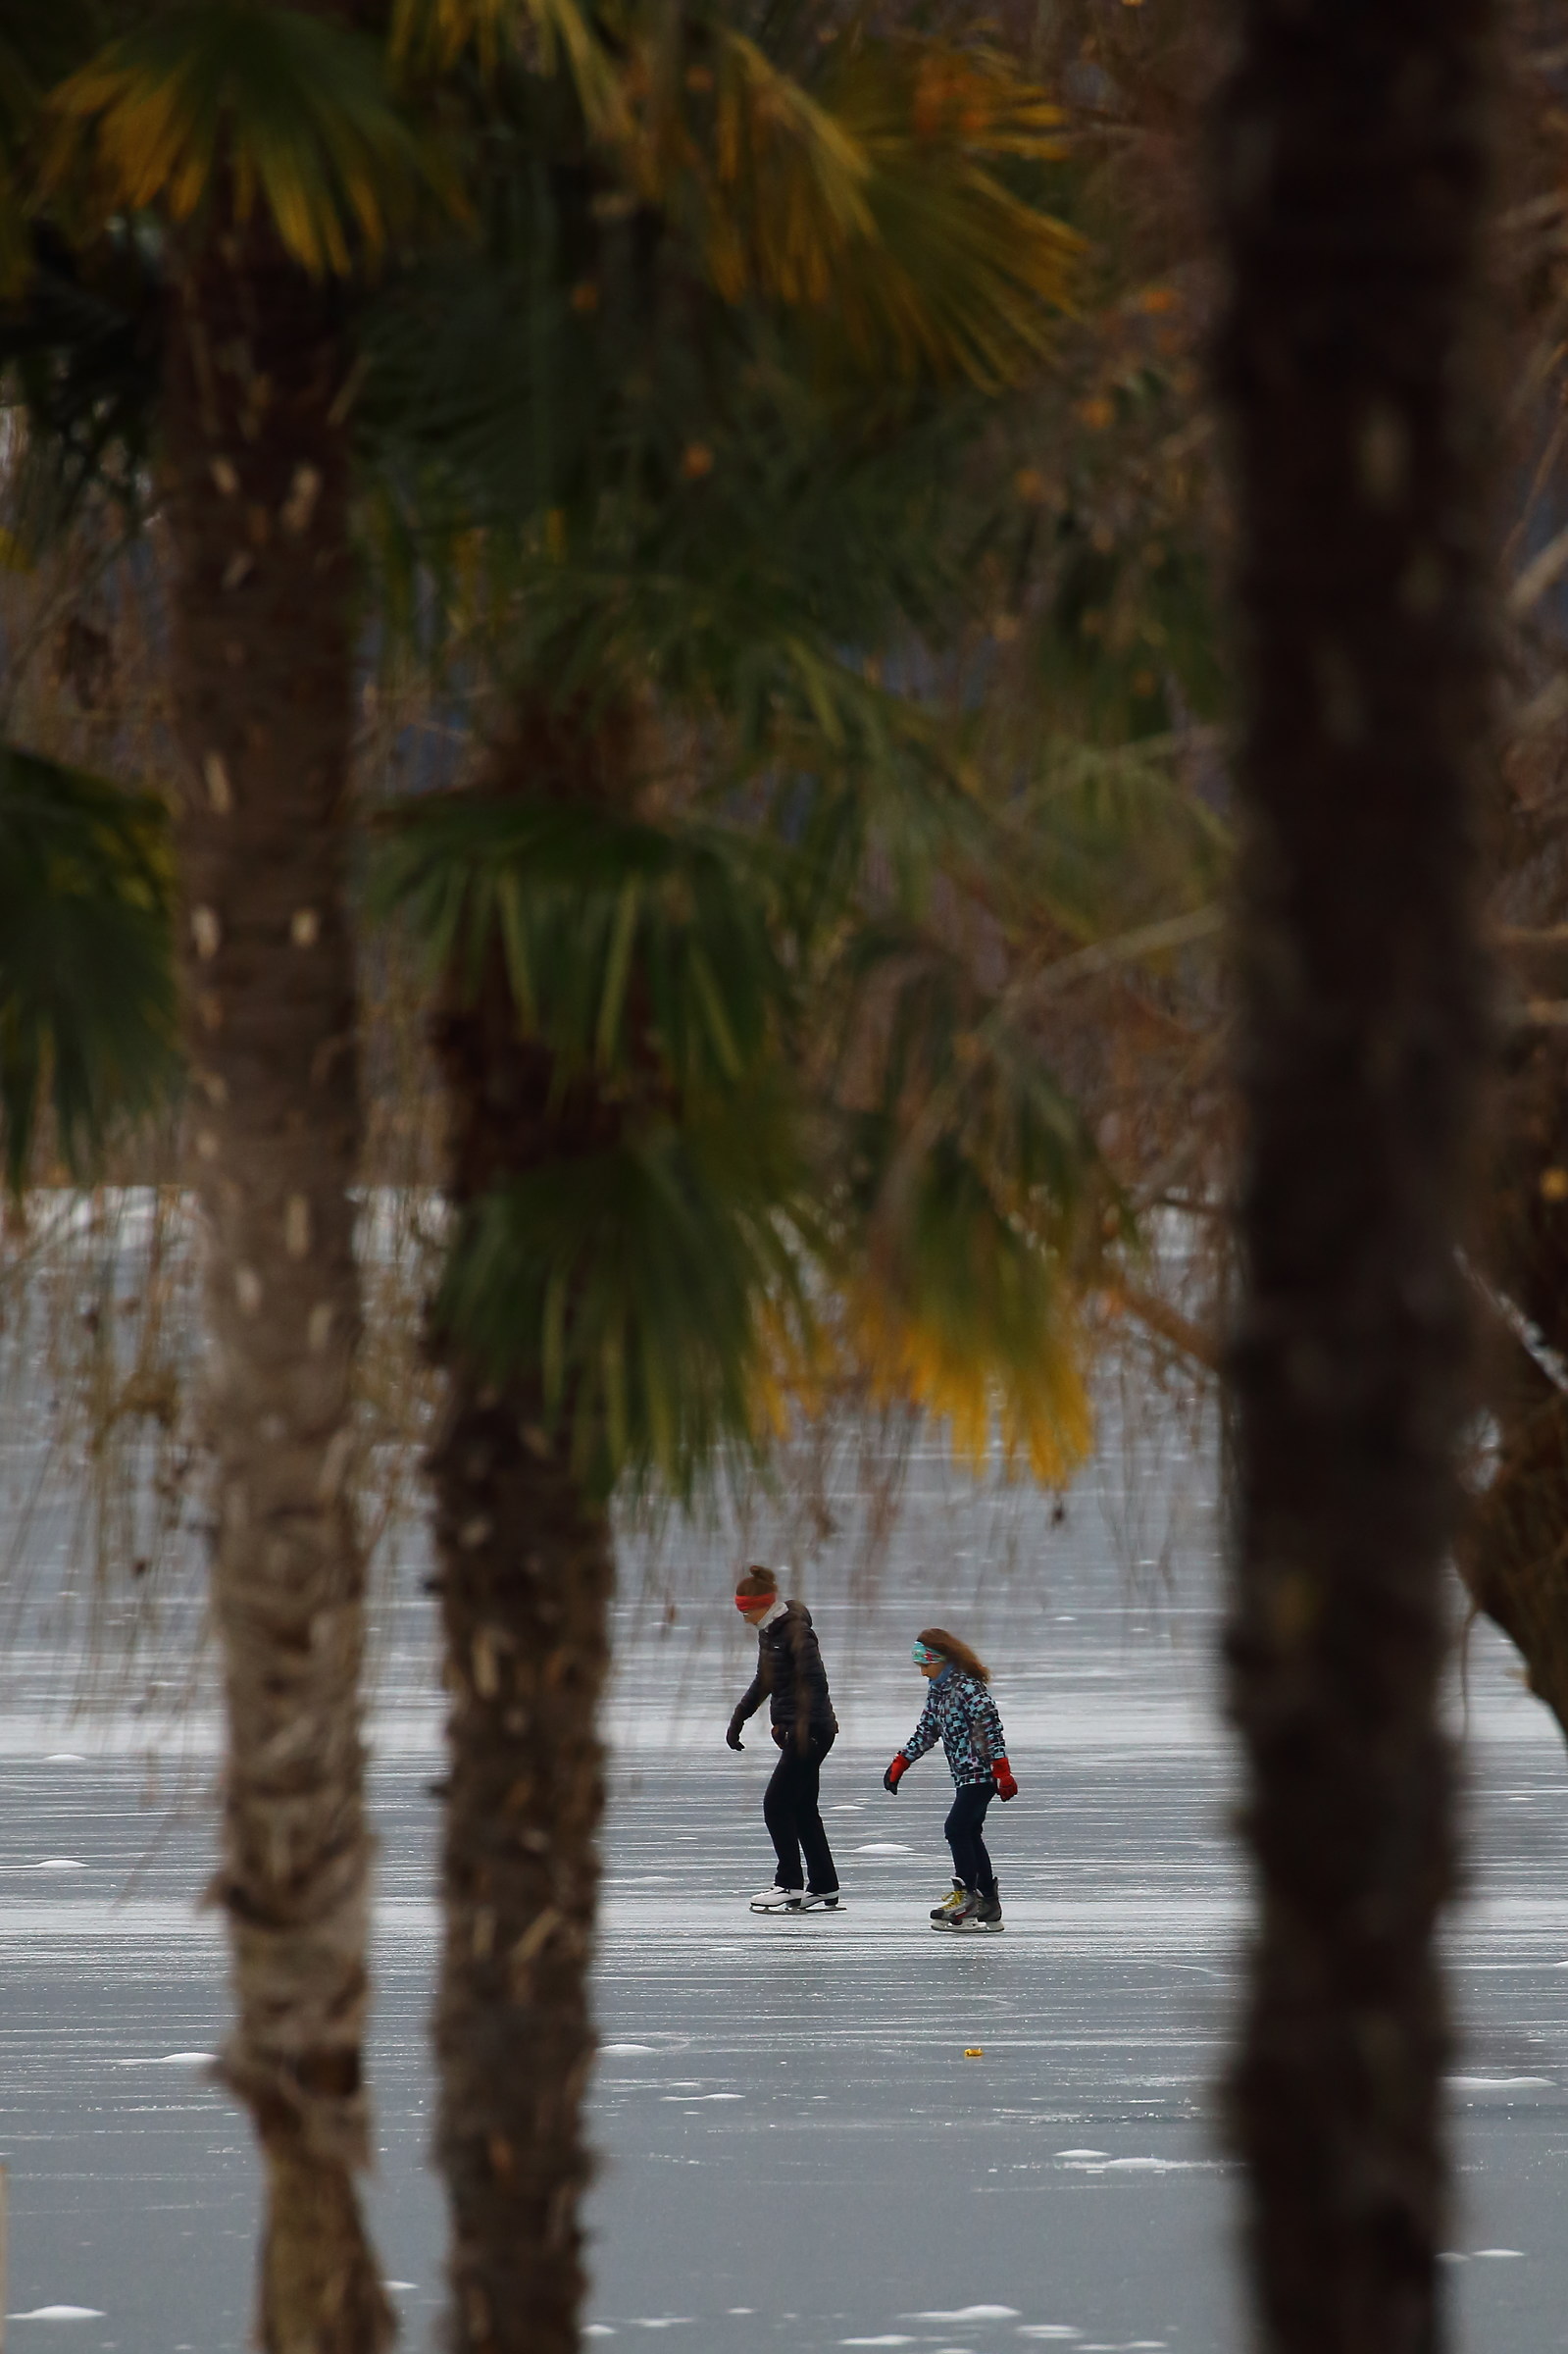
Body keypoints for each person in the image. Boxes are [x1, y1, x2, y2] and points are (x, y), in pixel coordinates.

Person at [884, 1626, 1017, 1930]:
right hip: (963, 1774)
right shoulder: (938, 1690)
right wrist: (902, 1761)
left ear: (941, 1660)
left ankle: (966, 1899)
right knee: (969, 1832)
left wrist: (1002, 1770)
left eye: (925, 1666)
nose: (922, 1673)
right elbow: (927, 1730)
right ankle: (988, 1903)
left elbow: (990, 1727)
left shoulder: (968, 1687)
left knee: (956, 1828)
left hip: (981, 1773)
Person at [727, 1564, 841, 1912]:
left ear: (764, 1605)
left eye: (747, 1611)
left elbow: (815, 1684)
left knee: (776, 1804)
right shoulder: (770, 1631)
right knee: (803, 1808)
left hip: (813, 1731)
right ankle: (824, 1886)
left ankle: (789, 1883)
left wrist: (799, 1726)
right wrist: (739, 1718)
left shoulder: (795, 1633)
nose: (744, 1618)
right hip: (803, 1730)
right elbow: (766, 1680)